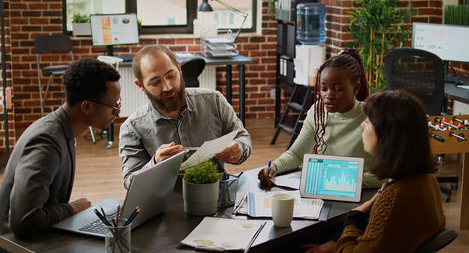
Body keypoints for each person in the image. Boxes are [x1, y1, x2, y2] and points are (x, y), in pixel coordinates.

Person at [0, 59, 121, 246]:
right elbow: (23, 221)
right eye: (114, 106)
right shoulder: (46, 143)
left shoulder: (61, 130)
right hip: (16, 247)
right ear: (86, 106)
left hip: (38, 237)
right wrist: (71, 209)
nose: (117, 112)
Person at [119, 45, 251, 189]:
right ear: (140, 85)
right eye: (156, 82)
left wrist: (238, 149)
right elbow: (130, 182)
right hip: (165, 203)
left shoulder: (214, 101)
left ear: (179, 69)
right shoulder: (132, 128)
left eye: (171, 75)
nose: (167, 87)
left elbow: (242, 137)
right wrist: (155, 164)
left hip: (216, 196)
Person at [331, 90, 444, 252]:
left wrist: (352, 220)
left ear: (387, 135)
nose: (363, 125)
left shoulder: (394, 198)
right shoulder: (425, 178)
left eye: (368, 121)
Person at [258, 48, 382, 188]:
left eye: (338, 89)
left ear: (355, 89)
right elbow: (296, 154)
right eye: (324, 88)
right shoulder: (317, 112)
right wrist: (274, 167)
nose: (329, 95)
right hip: (324, 191)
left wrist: (346, 183)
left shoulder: (371, 117)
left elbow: (386, 174)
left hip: (360, 195)